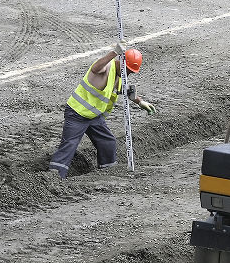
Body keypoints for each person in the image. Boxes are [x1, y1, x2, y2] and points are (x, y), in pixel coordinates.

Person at [48, 41, 155, 178]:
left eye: (131, 72)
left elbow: (125, 90)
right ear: (121, 62)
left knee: (108, 142)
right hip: (77, 114)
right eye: (128, 69)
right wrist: (114, 52)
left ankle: (107, 172)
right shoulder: (107, 67)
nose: (128, 73)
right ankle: (55, 176)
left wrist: (140, 102)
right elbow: (95, 68)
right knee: (69, 145)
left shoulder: (119, 75)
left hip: (94, 117)